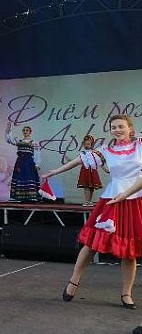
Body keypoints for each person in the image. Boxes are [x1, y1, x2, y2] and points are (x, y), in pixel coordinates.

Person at [43, 114, 142, 309]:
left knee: (129, 251)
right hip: (112, 200)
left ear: (130, 128)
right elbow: (80, 160)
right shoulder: (106, 151)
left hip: (133, 200)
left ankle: (126, 293)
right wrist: (55, 172)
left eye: (121, 126)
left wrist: (124, 195)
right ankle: (74, 280)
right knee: (92, 243)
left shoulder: (139, 146)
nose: (117, 130)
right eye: (113, 127)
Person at [5, 122, 41, 202]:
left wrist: (37, 164)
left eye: (27, 130)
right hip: (20, 162)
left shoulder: (34, 142)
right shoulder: (19, 141)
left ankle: (31, 196)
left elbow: (37, 153)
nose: (25, 132)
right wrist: (8, 130)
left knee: (29, 177)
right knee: (20, 177)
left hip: (29, 162)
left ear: (30, 132)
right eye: (24, 130)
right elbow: (9, 140)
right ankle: (20, 197)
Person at [75, 135, 106, 206]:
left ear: (92, 144)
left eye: (88, 144)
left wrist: (106, 169)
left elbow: (100, 162)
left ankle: (89, 201)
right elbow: (76, 161)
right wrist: (69, 160)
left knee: (92, 187)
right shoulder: (82, 153)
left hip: (92, 170)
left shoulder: (95, 152)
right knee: (86, 186)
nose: (86, 145)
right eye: (85, 144)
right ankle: (86, 201)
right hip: (85, 171)